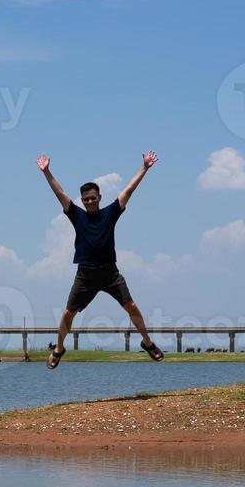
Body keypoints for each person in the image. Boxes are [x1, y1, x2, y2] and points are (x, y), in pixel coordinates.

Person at [37, 151, 164, 368]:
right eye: (86, 199)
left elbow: (129, 190)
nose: (89, 202)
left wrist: (144, 168)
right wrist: (47, 171)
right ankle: (58, 349)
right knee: (69, 313)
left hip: (109, 273)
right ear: (83, 201)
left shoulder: (110, 213)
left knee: (131, 305)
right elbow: (59, 193)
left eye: (93, 198)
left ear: (99, 198)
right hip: (85, 275)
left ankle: (147, 343)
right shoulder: (77, 214)